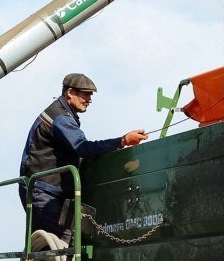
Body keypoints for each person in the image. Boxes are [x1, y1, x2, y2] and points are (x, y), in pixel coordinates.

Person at [19, 73, 148, 240]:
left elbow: (77, 154)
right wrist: (122, 141)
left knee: (60, 240)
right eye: (86, 94)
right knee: (62, 241)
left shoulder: (63, 115)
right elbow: (83, 148)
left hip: (50, 190)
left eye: (91, 95)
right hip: (43, 190)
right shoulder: (60, 118)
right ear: (70, 92)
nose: (90, 100)